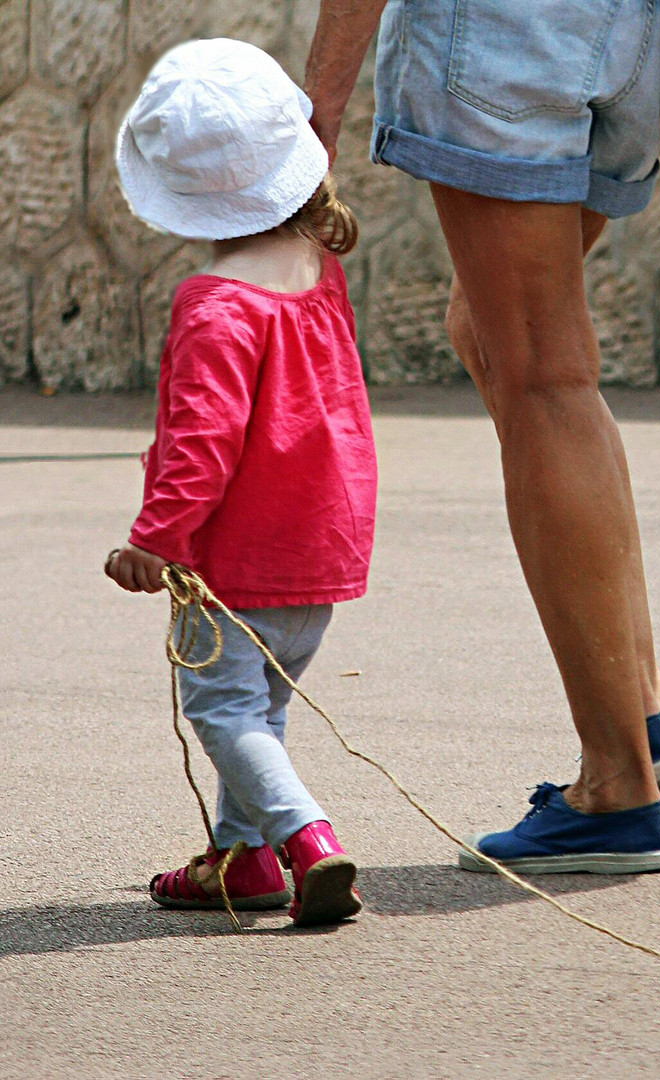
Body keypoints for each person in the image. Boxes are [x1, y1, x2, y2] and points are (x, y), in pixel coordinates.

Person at [303, 0, 660, 873]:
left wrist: (319, 100)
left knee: (546, 377)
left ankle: (616, 792)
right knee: (495, 338)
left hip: (510, 35)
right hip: (630, 34)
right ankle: (642, 715)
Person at [104, 38, 378, 926]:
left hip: (238, 566)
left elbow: (200, 446)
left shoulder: (217, 304)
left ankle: (307, 841)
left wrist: (155, 541)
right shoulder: (317, 274)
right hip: (319, 555)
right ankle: (242, 859)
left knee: (222, 713)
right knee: (260, 712)